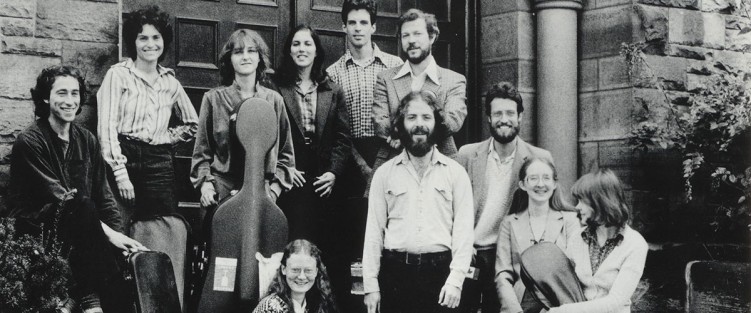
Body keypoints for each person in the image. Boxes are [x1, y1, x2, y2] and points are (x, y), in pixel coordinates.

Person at [8, 65, 148, 313]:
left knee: (89, 210)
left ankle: (98, 301)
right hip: (39, 229)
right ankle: (92, 298)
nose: (70, 101)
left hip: (83, 231)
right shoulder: (30, 141)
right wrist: (110, 236)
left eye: (75, 94)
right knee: (80, 204)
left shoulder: (86, 140)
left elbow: (104, 198)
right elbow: (61, 199)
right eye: (61, 93)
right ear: (45, 97)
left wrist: (118, 239)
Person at [362, 90, 474, 313]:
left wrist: (455, 280)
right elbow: (374, 232)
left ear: (437, 123)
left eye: (426, 117)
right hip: (395, 276)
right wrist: (371, 285)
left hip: (442, 276)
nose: (419, 124)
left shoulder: (455, 173)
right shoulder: (384, 174)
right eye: (411, 117)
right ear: (401, 124)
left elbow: (464, 231)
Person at [325, 3, 403, 306]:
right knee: (348, 242)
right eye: (351, 22)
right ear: (344, 27)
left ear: (373, 27)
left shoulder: (395, 66)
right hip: (349, 160)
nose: (357, 28)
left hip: (390, 154)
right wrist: (361, 167)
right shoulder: (332, 73)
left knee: (388, 240)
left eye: (363, 22)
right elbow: (336, 130)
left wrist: (380, 165)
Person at [454, 82, 553, 313]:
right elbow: (453, 206)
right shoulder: (467, 155)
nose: (504, 119)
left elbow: (553, 209)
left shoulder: (538, 158)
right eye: (497, 113)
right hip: (471, 253)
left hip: (509, 259)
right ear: (488, 118)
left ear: (520, 117)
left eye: (510, 113)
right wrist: (462, 243)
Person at [272, 25, 352, 307]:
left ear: (316, 50)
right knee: (293, 248)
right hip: (293, 181)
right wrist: (282, 168)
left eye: (307, 44)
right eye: (296, 44)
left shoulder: (333, 89)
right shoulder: (275, 88)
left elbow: (344, 138)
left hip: (323, 182)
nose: (301, 49)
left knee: (327, 250)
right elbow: (270, 135)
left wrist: (333, 172)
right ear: (289, 50)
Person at [97, 5, 199, 224]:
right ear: (134, 42)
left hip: (159, 164)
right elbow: (106, 128)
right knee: (119, 223)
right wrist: (120, 173)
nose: (150, 44)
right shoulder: (118, 75)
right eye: (143, 38)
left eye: (156, 37)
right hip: (125, 157)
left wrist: (166, 137)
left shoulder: (170, 83)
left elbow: (192, 124)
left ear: (164, 41)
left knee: (159, 227)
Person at [191, 28, 295, 207]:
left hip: (262, 192)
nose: (245, 57)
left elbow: (286, 156)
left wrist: (273, 192)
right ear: (229, 59)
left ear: (259, 57)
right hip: (221, 190)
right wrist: (206, 188)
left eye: (251, 51)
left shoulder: (274, 101)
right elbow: (201, 154)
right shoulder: (213, 99)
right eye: (238, 52)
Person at [539, 169, 648, 313]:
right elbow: (565, 285)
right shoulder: (577, 238)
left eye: (582, 201)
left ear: (601, 202)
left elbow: (615, 301)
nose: (577, 207)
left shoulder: (635, 245)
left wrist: (561, 311)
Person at [372, 8, 466, 170]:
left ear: (432, 37)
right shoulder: (385, 78)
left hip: (441, 163)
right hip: (393, 163)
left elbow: (453, 121)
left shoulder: (454, 80)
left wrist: (403, 134)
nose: (411, 40)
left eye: (417, 34)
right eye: (405, 35)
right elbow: (380, 123)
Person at [493, 158, 580, 313]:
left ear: (554, 184)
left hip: (560, 303)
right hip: (521, 303)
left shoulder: (570, 220)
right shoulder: (509, 223)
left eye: (546, 178)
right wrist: (514, 310)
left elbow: (577, 269)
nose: (540, 184)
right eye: (533, 178)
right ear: (523, 184)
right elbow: (502, 274)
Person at [253, 239, 338, 313]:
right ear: (284, 269)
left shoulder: (310, 305)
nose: (302, 277)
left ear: (316, 272)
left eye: (308, 270)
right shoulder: (270, 307)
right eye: (295, 270)